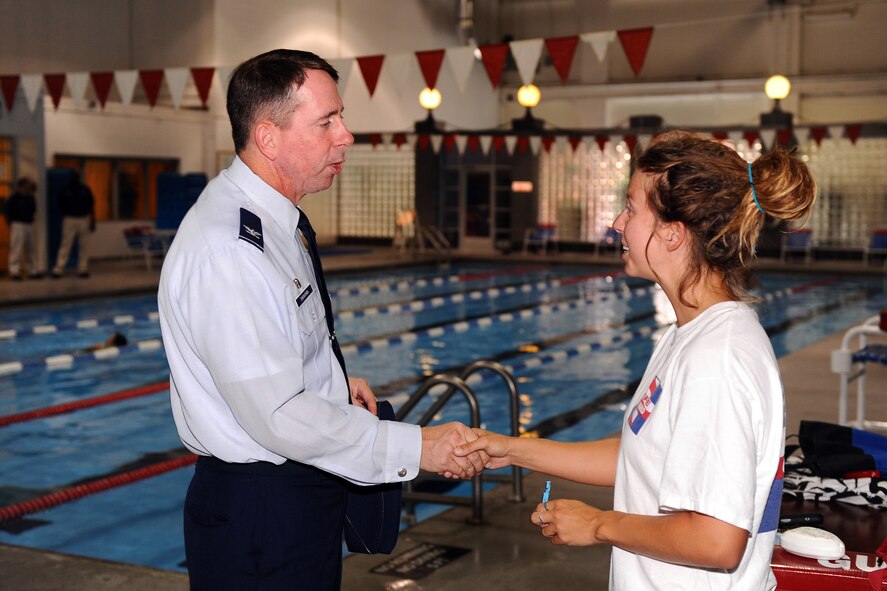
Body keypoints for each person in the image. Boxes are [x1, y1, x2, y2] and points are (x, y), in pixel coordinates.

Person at [157, 49, 483, 590]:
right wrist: (416, 446)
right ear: (268, 137)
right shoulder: (231, 250)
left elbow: (276, 359)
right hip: (262, 513)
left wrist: (329, 385)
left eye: (341, 117)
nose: (346, 136)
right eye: (327, 121)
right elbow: (279, 416)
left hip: (289, 497)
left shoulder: (273, 223)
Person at [457, 130, 817, 590]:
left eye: (631, 207)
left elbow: (717, 540)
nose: (616, 222)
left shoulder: (716, 357)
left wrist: (598, 524)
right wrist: (510, 450)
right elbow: (643, 458)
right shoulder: (688, 335)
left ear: (671, 232)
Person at [51, 172, 95, 279]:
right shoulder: (66, 190)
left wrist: (93, 220)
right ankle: (59, 268)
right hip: (70, 218)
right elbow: (60, 205)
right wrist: (65, 214)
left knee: (84, 245)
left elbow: (91, 205)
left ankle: (83, 268)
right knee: (66, 243)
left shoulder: (84, 190)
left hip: (83, 218)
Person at [5, 177, 41, 280]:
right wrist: (11, 222)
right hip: (18, 224)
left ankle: (32, 270)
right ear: (22, 186)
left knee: (31, 249)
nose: (29, 187)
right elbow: (8, 211)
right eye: (28, 185)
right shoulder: (14, 198)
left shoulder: (30, 198)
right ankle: (14, 271)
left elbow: (34, 210)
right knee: (16, 248)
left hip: (29, 224)